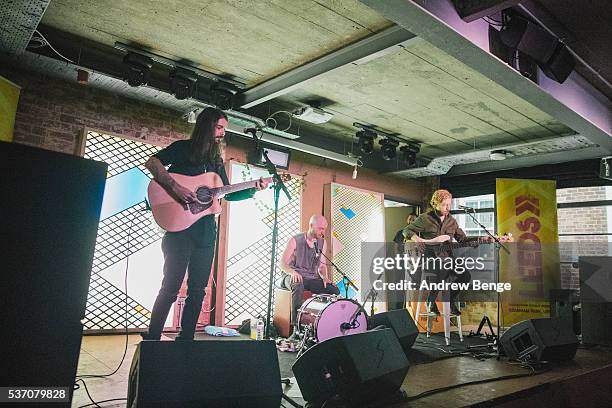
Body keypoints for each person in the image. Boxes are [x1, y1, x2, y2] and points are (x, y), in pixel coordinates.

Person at [142, 107, 268, 341]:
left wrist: (253, 189)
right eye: (219, 127)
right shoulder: (182, 149)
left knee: (198, 290)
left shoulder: (215, 161)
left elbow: (226, 193)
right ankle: (153, 337)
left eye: (224, 129)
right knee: (170, 287)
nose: (222, 133)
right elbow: (152, 163)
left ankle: (186, 338)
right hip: (178, 232)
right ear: (206, 126)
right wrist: (175, 186)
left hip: (205, 233)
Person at [403, 189, 491, 315]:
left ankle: (450, 300)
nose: (447, 207)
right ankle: (431, 301)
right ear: (435, 204)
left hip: (447, 258)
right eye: (444, 204)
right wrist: (418, 240)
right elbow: (407, 231)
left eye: (449, 204)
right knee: (442, 269)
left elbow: (463, 240)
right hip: (429, 258)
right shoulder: (425, 219)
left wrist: (480, 239)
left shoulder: (452, 221)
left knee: (465, 275)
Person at [281, 214, 339, 338]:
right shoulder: (295, 240)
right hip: (291, 276)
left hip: (310, 277)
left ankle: (323, 323)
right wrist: (293, 272)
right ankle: (296, 328)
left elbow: (322, 266)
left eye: (324, 229)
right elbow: (282, 264)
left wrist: (325, 277)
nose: (322, 231)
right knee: (298, 284)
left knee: (332, 289)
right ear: (311, 226)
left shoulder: (322, 242)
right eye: (320, 228)